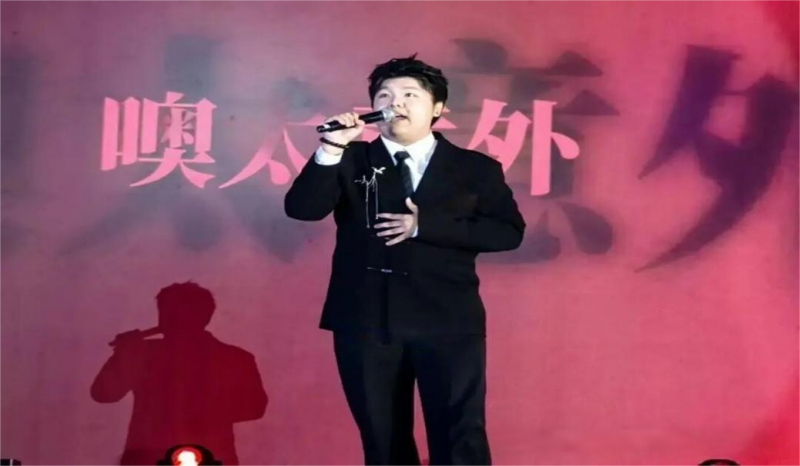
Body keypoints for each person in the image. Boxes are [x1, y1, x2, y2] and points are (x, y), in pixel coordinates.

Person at [285, 55, 525, 466]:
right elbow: (302, 209)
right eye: (385, 95)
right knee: (383, 439)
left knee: (460, 434)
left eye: (410, 95)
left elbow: (507, 233)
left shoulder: (475, 168)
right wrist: (331, 147)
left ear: (437, 108)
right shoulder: (350, 158)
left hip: (448, 319)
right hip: (366, 319)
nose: (395, 103)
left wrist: (423, 225)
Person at [91, 282, 267, 466]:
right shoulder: (142, 353)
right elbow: (103, 394)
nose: (172, 318)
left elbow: (255, 408)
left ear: (205, 316)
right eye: (167, 312)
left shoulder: (235, 359)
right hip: (154, 455)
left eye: (180, 312)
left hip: (206, 455)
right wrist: (123, 355)